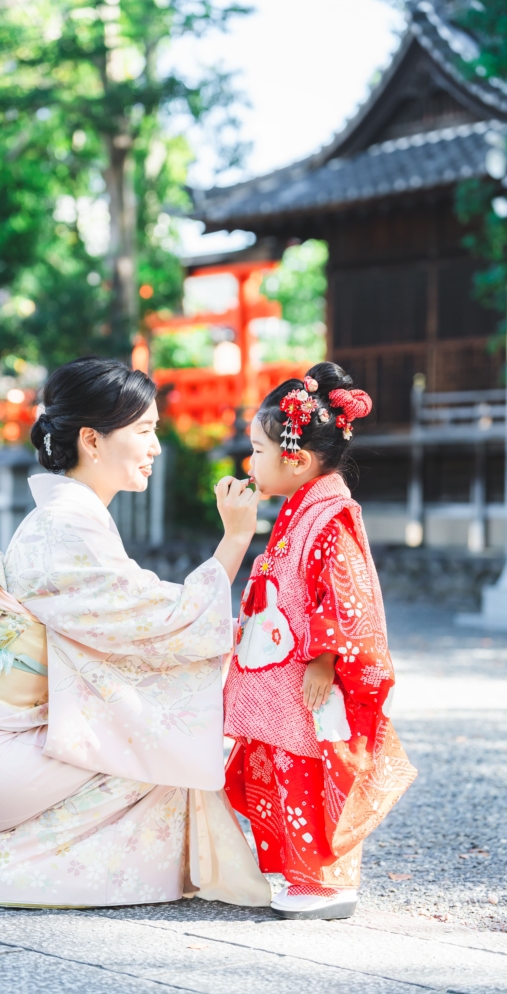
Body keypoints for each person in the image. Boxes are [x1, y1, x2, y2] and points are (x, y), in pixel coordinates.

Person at [0, 356, 270, 910]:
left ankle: (55, 857)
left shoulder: (71, 519)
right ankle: (28, 864)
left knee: (166, 721)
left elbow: (142, 623)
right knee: (169, 737)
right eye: (145, 431)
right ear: (92, 441)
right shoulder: (66, 528)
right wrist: (237, 538)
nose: (155, 447)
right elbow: (165, 624)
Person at [223, 361, 417, 920]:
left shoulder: (331, 514)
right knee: (285, 768)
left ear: (297, 458)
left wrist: (325, 657)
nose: (249, 461)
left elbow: (343, 588)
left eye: (257, 450)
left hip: (309, 675)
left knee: (309, 770)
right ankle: (294, 872)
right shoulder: (302, 508)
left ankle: (323, 884)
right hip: (286, 674)